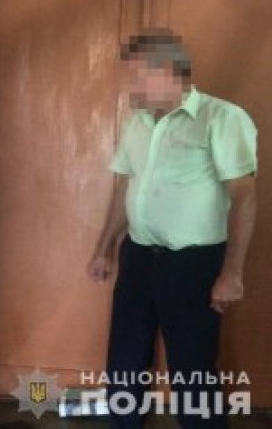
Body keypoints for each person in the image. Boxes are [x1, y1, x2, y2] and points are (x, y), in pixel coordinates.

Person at [87, 29, 257, 429]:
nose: (131, 86)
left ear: (166, 70)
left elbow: (244, 197)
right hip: (138, 257)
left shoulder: (222, 118)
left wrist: (232, 273)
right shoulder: (137, 122)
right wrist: (104, 247)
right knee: (125, 363)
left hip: (193, 265)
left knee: (193, 371)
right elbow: (125, 188)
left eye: (137, 75)